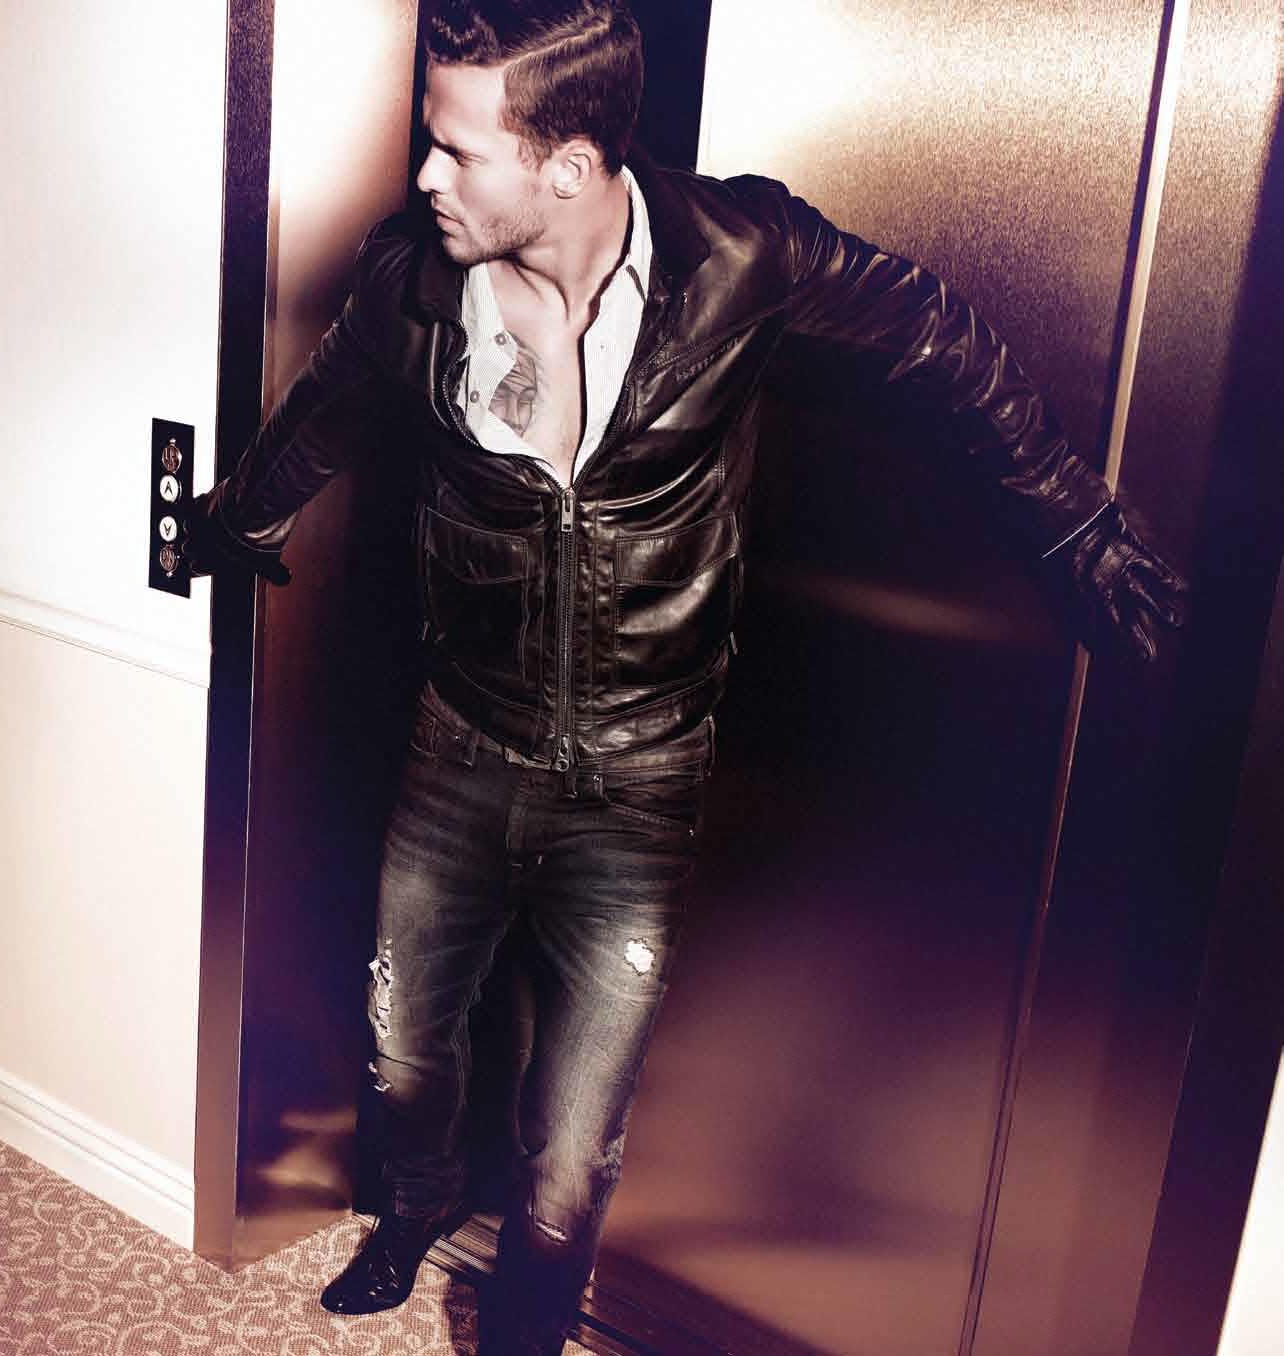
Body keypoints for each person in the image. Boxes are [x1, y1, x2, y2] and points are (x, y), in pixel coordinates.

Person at [182, 2, 1187, 1352]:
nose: (425, 176)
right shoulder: (413, 283)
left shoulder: (739, 256)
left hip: (639, 779)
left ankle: (522, 1329)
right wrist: (238, 519)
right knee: (405, 1052)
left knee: (571, 1146)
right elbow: (324, 408)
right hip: (457, 744)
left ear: (567, 166)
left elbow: (934, 340)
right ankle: (414, 1207)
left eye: (457, 150)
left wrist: (1074, 522)